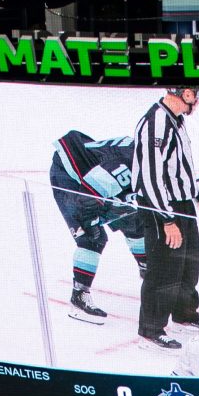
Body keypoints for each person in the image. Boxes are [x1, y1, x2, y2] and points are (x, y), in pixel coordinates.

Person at [130, 84, 199, 349]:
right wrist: (167, 220)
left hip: (181, 203)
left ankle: (184, 313)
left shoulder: (175, 120)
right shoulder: (155, 124)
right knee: (164, 268)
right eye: (197, 96)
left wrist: (198, 199)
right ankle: (151, 329)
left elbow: (182, 167)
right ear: (186, 94)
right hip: (160, 206)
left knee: (190, 260)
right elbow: (150, 178)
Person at [47, 127, 146, 322]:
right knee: (92, 236)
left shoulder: (148, 156)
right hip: (69, 174)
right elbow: (88, 197)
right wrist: (99, 214)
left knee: (134, 222)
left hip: (94, 174)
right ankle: (79, 297)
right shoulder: (127, 165)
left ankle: (147, 270)